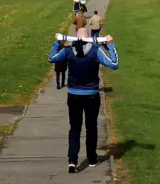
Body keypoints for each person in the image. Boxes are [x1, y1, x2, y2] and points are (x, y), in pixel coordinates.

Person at [48, 28, 119, 173]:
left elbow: (52, 58)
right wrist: (110, 45)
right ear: (89, 38)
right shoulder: (95, 50)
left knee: (74, 128)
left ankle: (72, 161)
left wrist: (57, 42)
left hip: (74, 95)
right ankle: (92, 159)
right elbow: (114, 63)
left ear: (75, 38)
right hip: (91, 95)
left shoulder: (67, 51)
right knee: (91, 127)